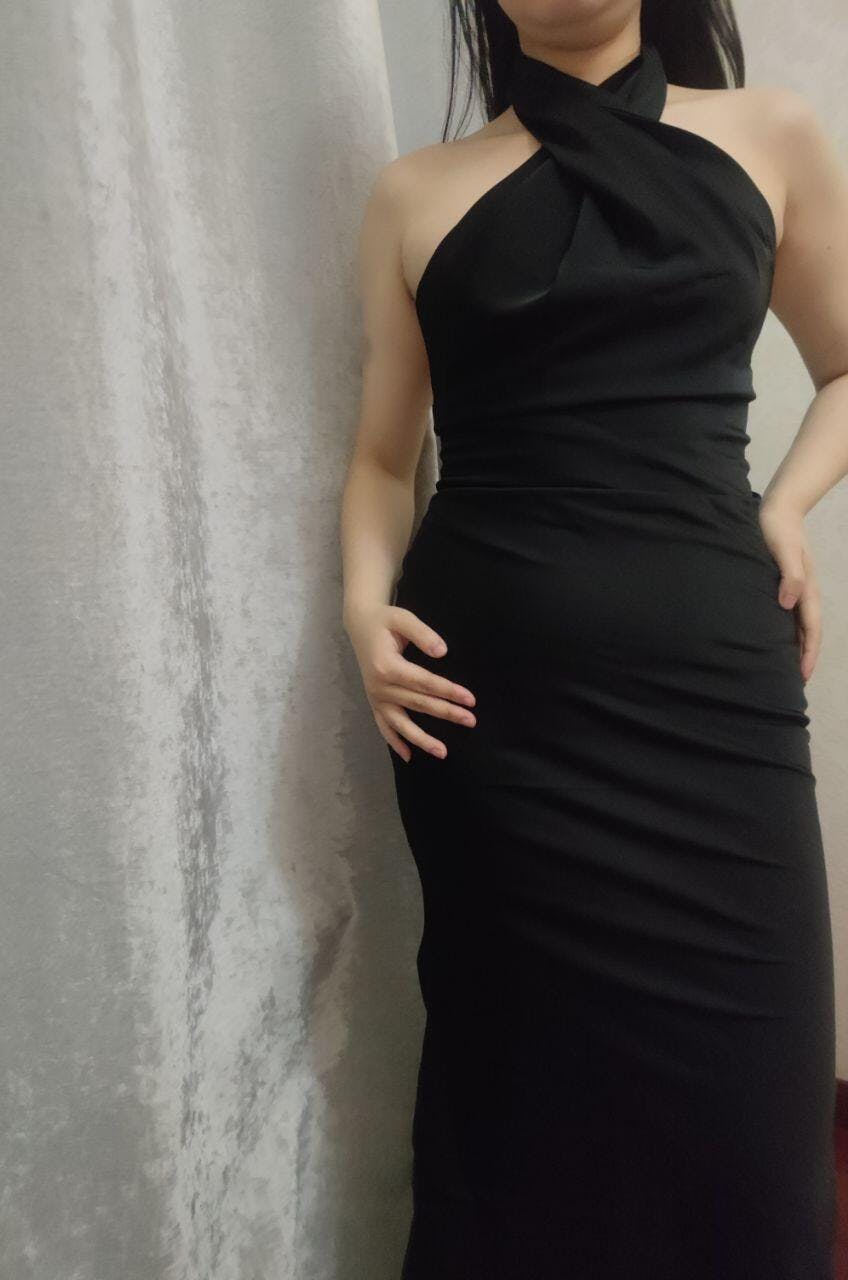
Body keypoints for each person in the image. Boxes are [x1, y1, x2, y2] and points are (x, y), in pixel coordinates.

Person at [340, 2, 848, 1276]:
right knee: (519, 1090)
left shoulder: (771, 134)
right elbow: (383, 458)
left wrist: (784, 505)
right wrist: (360, 604)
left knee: (754, 1110)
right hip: (491, 710)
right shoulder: (414, 193)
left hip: (715, 690)